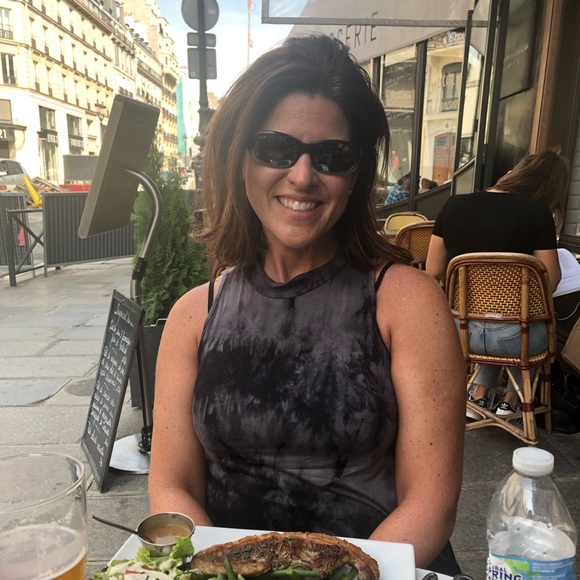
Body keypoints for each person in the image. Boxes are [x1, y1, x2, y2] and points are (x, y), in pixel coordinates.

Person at [149, 34, 466, 576]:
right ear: (240, 159)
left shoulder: (408, 303)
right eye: (276, 149)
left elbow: (430, 504)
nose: (302, 175)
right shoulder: (192, 315)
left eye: (331, 156)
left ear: (356, 176)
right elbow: (172, 487)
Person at [426, 149, 569, 418]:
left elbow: (433, 270)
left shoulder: (453, 204)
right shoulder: (538, 213)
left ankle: (478, 395)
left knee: (490, 316)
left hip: (461, 333)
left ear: (516, 173)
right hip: (516, 340)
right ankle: (511, 400)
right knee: (526, 318)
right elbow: (550, 281)